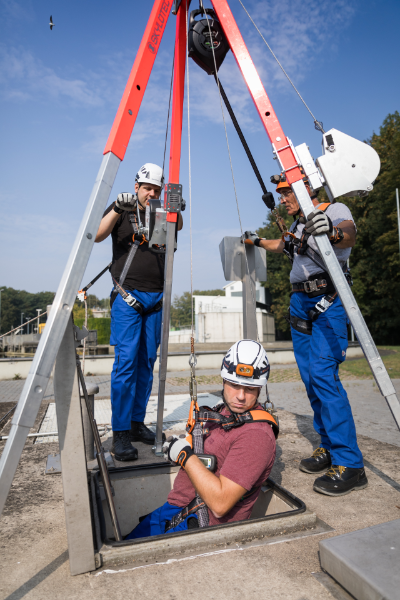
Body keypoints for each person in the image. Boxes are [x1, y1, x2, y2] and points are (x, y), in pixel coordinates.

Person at [243, 176, 368, 497]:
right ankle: (328, 448)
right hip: (301, 304)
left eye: (287, 192)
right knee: (312, 380)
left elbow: (349, 236)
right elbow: (279, 245)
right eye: (282, 193)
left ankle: (351, 463)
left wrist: (333, 230)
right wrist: (255, 241)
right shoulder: (298, 226)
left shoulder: (332, 209)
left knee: (325, 376)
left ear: (306, 189)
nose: (283, 198)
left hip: (328, 300)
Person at [125, 340, 278, 539]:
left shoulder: (256, 436)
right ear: (223, 380)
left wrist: (185, 457)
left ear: (260, 388)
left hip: (199, 525)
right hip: (174, 510)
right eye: (234, 385)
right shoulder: (224, 413)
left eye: (249, 388)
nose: (240, 396)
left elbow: (221, 505)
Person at [95, 163, 183, 461]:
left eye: (157, 190)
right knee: (126, 364)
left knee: (146, 363)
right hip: (128, 296)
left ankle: (136, 424)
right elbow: (96, 233)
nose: (152, 194)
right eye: (148, 188)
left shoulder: (163, 212)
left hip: (156, 299)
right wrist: (117, 209)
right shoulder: (123, 208)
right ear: (137, 187)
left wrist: (176, 208)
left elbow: (178, 226)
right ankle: (119, 434)